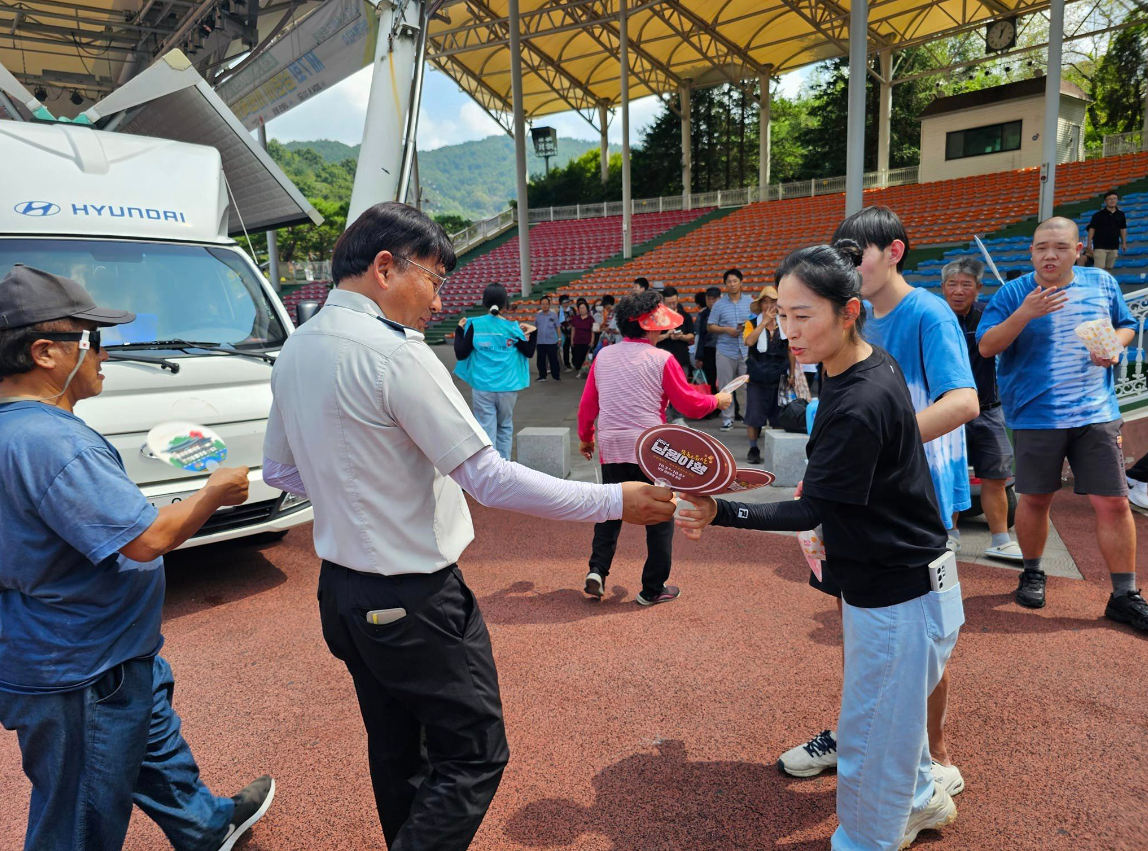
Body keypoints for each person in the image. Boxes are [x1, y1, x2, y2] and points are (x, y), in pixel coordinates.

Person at [262, 202, 676, 851]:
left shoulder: (296, 348)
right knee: (474, 754)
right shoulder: (396, 355)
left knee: (397, 751)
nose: (437, 300)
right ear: (384, 268)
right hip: (413, 594)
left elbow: (280, 470)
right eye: (432, 279)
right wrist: (613, 501)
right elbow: (489, 479)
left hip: (340, 591)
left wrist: (357, 492)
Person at [677, 242, 964, 851]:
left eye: (803, 315)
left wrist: (719, 509)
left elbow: (811, 510)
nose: (789, 330)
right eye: (782, 314)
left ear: (849, 311)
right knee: (892, 722)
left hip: (897, 594)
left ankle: (867, 838)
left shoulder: (859, 400)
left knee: (870, 739)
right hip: (915, 583)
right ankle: (920, 799)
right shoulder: (862, 364)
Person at [0, 265, 275, 851]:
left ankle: (208, 827)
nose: (104, 354)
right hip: (84, 669)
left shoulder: (19, 431)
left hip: (96, 650)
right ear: (44, 352)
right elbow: (146, 540)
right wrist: (212, 493)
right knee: (77, 820)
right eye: (92, 339)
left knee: (155, 749)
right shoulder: (53, 441)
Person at [778, 207, 977, 800]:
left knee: (920, 636)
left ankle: (933, 755)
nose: (844, 265)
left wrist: (872, 446)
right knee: (865, 627)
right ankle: (857, 734)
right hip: (857, 491)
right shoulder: (839, 320)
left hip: (912, 490)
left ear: (893, 252)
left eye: (854, 254)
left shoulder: (927, 313)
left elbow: (964, 400)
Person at [978, 216, 1148, 632]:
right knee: (1036, 499)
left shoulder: (1102, 283)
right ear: (1031, 252)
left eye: (1059, 247)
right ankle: (1033, 572)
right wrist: (1025, 313)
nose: (1049, 255)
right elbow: (986, 346)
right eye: (1041, 248)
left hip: (1096, 413)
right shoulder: (1014, 293)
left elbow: (1127, 325)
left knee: (1115, 503)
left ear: (1078, 250)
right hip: (1036, 415)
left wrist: (1114, 346)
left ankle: (1124, 595)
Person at [577, 289, 732, 605]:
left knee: (610, 510)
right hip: (651, 449)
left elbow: (588, 405)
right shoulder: (662, 359)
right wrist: (717, 400)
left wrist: (586, 437)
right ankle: (652, 588)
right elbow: (688, 404)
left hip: (612, 444)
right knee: (661, 516)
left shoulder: (603, 355)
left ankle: (597, 570)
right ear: (650, 326)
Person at [940, 257, 1022, 561]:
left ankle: (1000, 539)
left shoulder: (990, 315)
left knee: (996, 476)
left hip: (988, 409)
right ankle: (949, 535)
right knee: (948, 474)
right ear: (943, 287)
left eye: (966, 284)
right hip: (946, 410)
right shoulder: (934, 317)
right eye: (952, 284)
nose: (958, 291)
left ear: (978, 288)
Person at [454, 284, 537, 460]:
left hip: (482, 387)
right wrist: (534, 333)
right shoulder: (512, 327)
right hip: (508, 388)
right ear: (505, 302)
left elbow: (461, 353)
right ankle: (504, 467)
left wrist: (459, 331)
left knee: (486, 430)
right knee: (505, 427)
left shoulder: (475, 325)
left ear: (484, 302)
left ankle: (489, 468)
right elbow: (529, 352)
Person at [742, 286, 791, 463]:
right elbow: (749, 341)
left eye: (773, 302)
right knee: (754, 416)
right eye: (765, 302)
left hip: (779, 376)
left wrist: (792, 374)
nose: (769, 306)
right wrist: (763, 323)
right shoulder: (752, 323)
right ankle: (753, 449)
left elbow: (790, 350)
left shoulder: (785, 323)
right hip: (757, 377)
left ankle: (775, 450)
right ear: (760, 305)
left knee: (779, 417)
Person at [707, 269, 753, 431]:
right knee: (726, 386)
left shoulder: (750, 302)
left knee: (748, 386)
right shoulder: (719, 305)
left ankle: (749, 417)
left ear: (741, 282)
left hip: (746, 350)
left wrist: (746, 327)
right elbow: (710, 326)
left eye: (735, 281)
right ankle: (727, 419)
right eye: (729, 282)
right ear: (725, 284)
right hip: (725, 350)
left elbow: (756, 322)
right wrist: (726, 330)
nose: (732, 284)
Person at [655, 286, 696, 424]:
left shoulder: (685, 316)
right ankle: (665, 418)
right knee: (662, 390)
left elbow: (691, 335)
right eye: (669, 303)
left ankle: (678, 417)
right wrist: (667, 335)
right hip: (662, 359)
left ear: (678, 299)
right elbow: (653, 339)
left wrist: (681, 337)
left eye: (674, 302)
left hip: (681, 357)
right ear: (663, 302)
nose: (672, 305)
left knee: (680, 389)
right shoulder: (658, 317)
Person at [1086, 191, 1128, 272]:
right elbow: (1092, 229)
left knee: (1109, 268)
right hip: (1100, 246)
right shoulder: (1097, 215)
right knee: (1099, 269)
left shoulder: (1121, 214)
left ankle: (1106, 281)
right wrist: (1089, 243)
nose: (1112, 201)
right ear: (1105, 201)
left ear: (1117, 200)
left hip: (1114, 246)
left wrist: (1124, 243)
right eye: (1109, 199)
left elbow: (1122, 228)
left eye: (1114, 198)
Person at [694, 286, 721, 397]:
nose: (711, 302)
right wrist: (699, 357)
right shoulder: (703, 315)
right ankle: (713, 403)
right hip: (708, 350)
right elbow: (700, 337)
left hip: (724, 350)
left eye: (714, 299)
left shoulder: (724, 312)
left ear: (719, 298)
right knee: (710, 380)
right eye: (708, 299)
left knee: (725, 379)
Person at [533, 295, 562, 381]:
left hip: (551, 342)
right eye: (543, 304)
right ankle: (542, 376)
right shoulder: (538, 315)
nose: (544, 305)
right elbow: (535, 328)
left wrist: (559, 338)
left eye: (546, 304)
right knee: (540, 360)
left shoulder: (554, 315)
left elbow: (558, 327)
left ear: (549, 305)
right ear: (540, 305)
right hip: (540, 342)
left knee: (553, 359)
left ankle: (556, 376)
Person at [569, 298, 595, 375]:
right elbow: (573, 330)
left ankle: (586, 372)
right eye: (580, 308)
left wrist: (592, 341)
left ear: (587, 309)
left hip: (587, 341)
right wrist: (572, 340)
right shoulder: (575, 318)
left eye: (583, 308)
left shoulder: (590, 319)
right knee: (577, 357)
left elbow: (592, 331)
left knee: (586, 357)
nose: (582, 310)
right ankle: (579, 371)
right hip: (577, 341)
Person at [558, 294, 574, 371]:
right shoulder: (558, 311)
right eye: (565, 302)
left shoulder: (572, 310)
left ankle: (575, 363)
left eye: (568, 302)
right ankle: (567, 364)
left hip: (573, 332)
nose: (567, 303)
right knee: (566, 350)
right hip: (563, 333)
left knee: (574, 349)